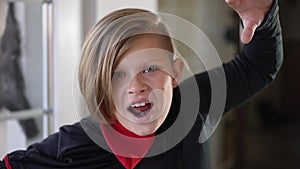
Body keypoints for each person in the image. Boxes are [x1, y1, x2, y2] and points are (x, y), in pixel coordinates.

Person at [1, 0, 283, 168]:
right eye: (117, 74)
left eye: (149, 69)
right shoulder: (74, 145)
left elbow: (257, 67)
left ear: (175, 72)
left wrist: (266, 13)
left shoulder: (192, 105)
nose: (136, 87)